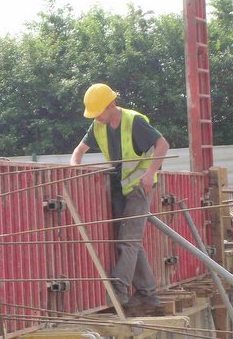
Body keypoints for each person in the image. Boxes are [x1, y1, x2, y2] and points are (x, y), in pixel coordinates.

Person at [70, 83, 169, 309]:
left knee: (128, 242)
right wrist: (74, 167)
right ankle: (148, 295)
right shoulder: (97, 126)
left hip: (139, 188)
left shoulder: (134, 121)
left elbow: (163, 144)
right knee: (131, 242)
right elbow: (78, 151)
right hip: (118, 187)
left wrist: (150, 173)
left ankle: (119, 290)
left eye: (99, 112)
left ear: (112, 104)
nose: (97, 118)